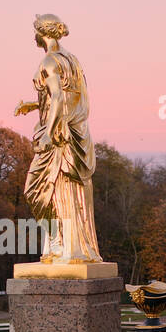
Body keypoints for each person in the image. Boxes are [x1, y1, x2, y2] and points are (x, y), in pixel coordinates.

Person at [14, 14, 102, 263]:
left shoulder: (50, 61)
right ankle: (68, 248)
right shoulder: (71, 60)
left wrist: (48, 136)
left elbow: (59, 99)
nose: (33, 36)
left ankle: (60, 244)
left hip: (59, 137)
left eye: (35, 32)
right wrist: (33, 105)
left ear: (42, 33)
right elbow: (67, 97)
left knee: (36, 190)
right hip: (75, 135)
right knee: (62, 191)